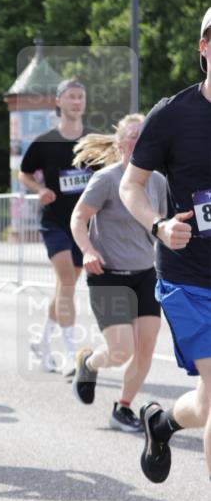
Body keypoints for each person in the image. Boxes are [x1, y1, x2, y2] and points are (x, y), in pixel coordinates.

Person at [120, 9, 211, 483]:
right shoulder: (173, 114)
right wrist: (158, 225)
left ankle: (161, 422)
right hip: (189, 277)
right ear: (204, 48)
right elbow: (130, 187)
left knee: (207, 402)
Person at [69, 115, 166, 431]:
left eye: (145, 136)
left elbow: (163, 224)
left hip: (145, 273)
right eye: (135, 136)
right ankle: (89, 363)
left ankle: (122, 407)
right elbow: (78, 218)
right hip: (108, 273)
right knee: (121, 351)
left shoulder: (158, 182)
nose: (141, 141)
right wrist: (87, 250)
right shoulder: (106, 179)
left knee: (146, 347)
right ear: (121, 144)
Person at [18, 79, 90, 373]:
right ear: (59, 102)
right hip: (55, 223)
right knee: (67, 283)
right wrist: (39, 190)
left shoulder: (91, 142)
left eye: (81, 97)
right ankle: (73, 354)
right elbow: (23, 173)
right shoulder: (45, 141)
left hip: (83, 225)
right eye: (71, 97)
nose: (77, 102)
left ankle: (42, 340)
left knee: (65, 286)